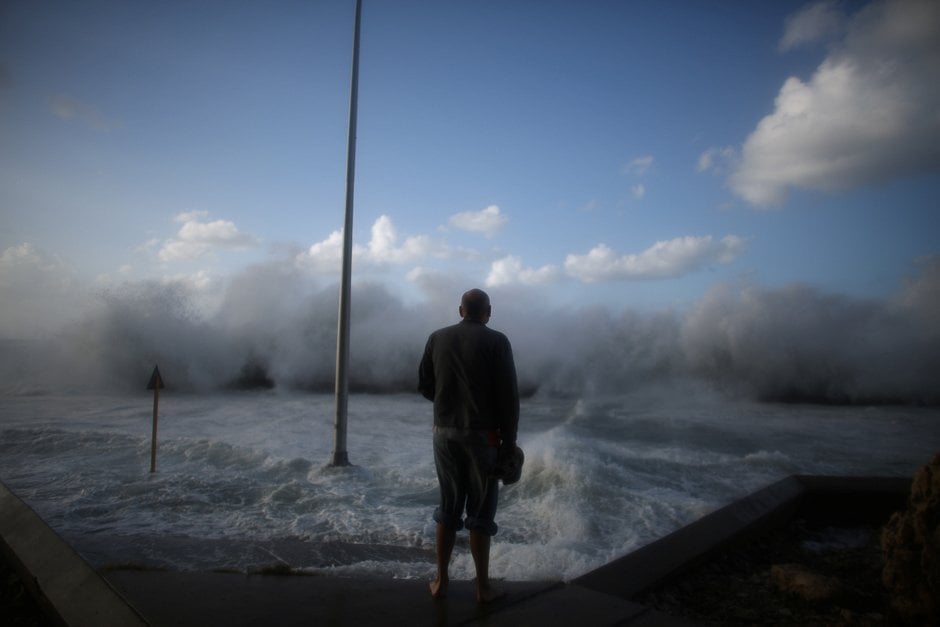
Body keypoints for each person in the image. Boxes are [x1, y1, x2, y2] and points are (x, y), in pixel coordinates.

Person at [418, 288, 520, 603]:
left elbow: (424, 385)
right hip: (483, 438)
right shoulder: (497, 341)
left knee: (448, 507)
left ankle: (441, 581)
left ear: (461, 310)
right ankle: (482, 587)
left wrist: (450, 403)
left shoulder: (437, 337)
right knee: (480, 513)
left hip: (443, 434)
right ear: (488, 311)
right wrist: (509, 444)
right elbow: (508, 397)